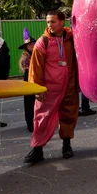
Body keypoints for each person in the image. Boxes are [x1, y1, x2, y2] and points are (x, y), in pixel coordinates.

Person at [24, 10, 79, 164]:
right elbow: (35, 68)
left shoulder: (72, 39)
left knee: (68, 116)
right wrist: (37, 89)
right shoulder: (43, 42)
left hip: (69, 85)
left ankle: (67, 145)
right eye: (48, 22)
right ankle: (37, 149)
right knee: (41, 118)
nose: (49, 25)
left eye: (53, 21)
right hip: (48, 89)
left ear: (62, 22)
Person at [18, 28, 36, 132]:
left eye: (33, 44)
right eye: (30, 45)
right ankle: (30, 124)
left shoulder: (38, 54)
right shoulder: (26, 58)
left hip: (37, 81)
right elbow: (28, 72)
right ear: (26, 47)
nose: (32, 46)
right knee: (29, 104)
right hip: (29, 83)